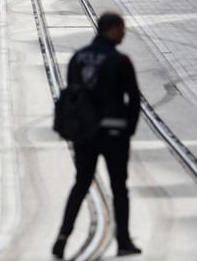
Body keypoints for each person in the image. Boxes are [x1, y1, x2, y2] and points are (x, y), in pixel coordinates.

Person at [52, 13, 142, 259]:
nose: (124, 33)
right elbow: (134, 99)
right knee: (119, 187)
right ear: (111, 30)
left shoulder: (77, 58)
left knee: (81, 183)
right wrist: (129, 128)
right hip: (114, 132)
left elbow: (72, 96)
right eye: (122, 29)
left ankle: (62, 238)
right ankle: (123, 240)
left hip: (85, 133)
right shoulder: (120, 61)